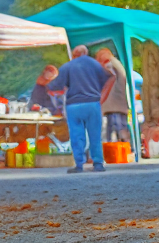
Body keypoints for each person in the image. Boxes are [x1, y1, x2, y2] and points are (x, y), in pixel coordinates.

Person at [48, 45, 110, 173]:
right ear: (86, 53)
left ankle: (79, 164)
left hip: (74, 105)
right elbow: (108, 77)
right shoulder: (95, 64)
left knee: (77, 135)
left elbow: (56, 85)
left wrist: (47, 85)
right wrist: (98, 93)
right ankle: (98, 163)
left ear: (75, 54)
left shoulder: (68, 66)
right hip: (93, 104)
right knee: (95, 135)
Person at [96, 48, 130, 142]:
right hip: (114, 110)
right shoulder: (114, 71)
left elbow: (119, 73)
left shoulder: (113, 70)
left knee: (115, 137)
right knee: (114, 137)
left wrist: (110, 58)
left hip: (115, 110)